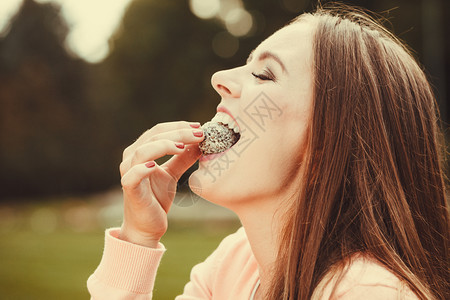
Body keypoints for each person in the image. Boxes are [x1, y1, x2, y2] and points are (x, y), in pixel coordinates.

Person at [87, 4, 449, 300]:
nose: (220, 77)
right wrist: (138, 238)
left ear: (332, 136)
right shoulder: (235, 264)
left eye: (264, 75)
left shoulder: (369, 293)